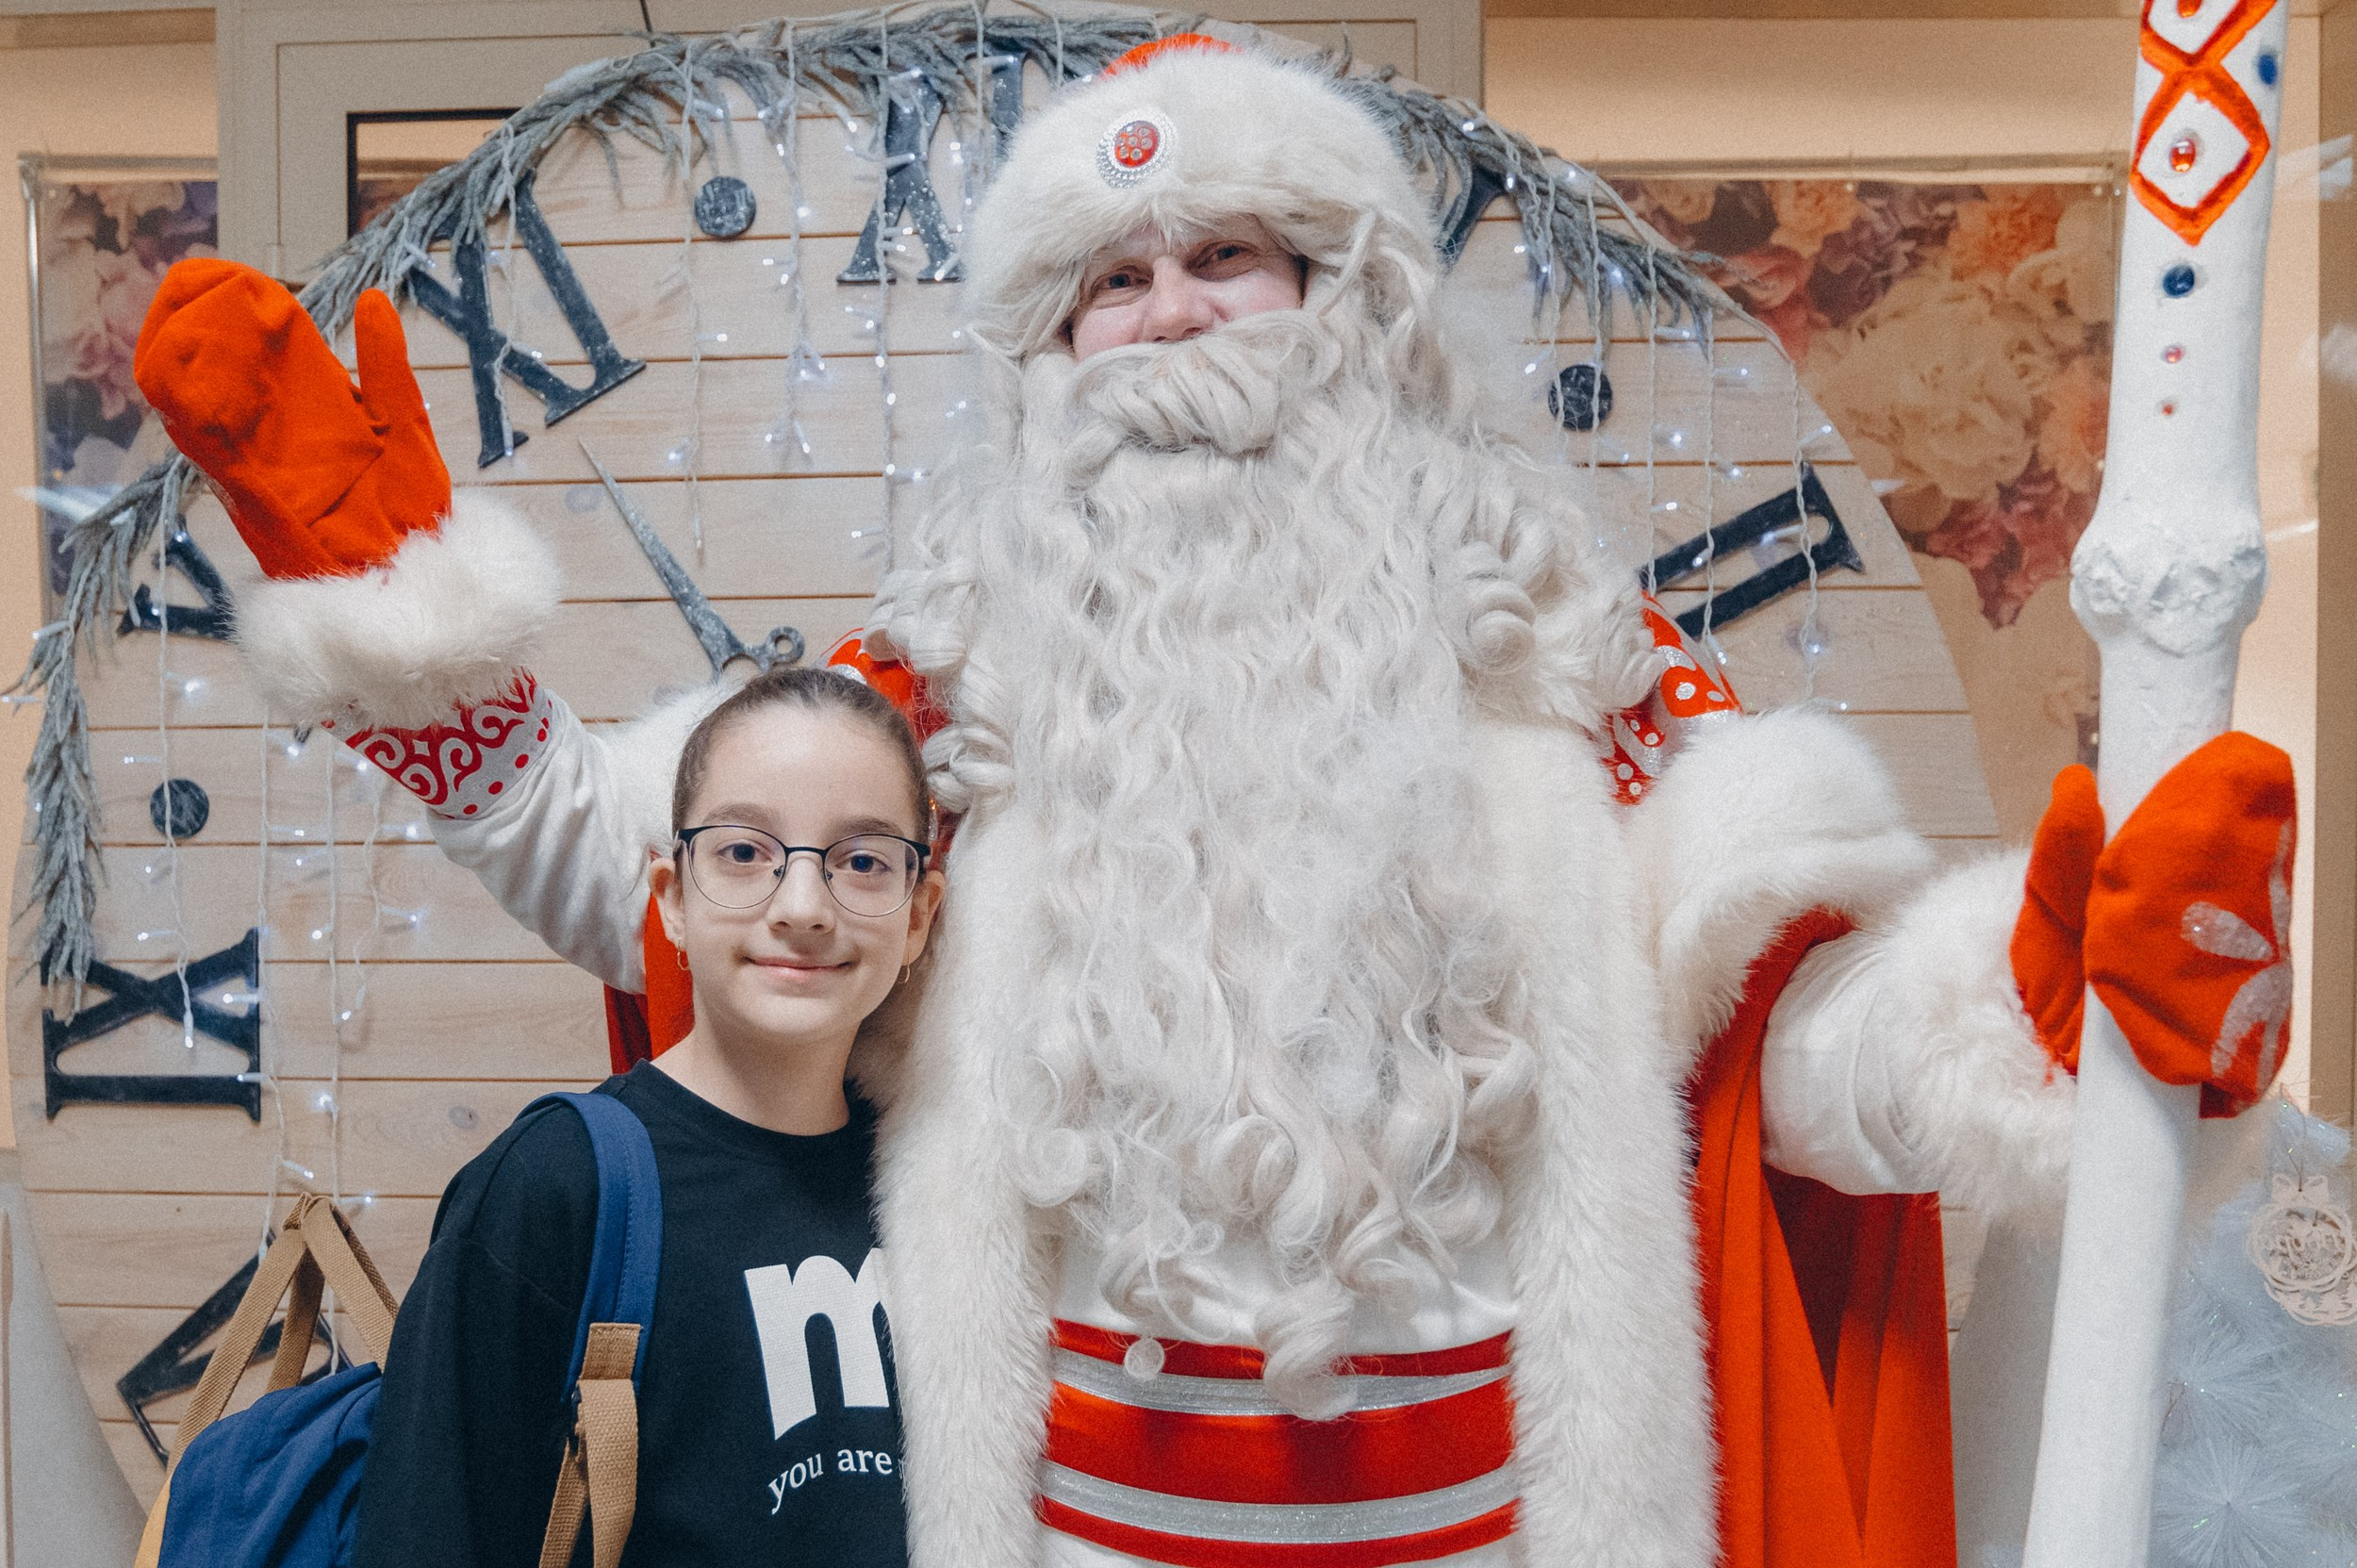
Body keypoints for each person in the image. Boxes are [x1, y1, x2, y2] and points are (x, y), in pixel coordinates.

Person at [133, 33, 2295, 1568]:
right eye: (1110, 281)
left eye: (1228, 258)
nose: (1168, 316)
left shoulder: (1578, 677)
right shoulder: (938, 704)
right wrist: (417, 638)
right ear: (1045, 362)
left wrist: (2024, 1018)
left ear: (1353, 308)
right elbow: (648, 877)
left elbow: (1785, 1080)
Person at [350, 667, 943, 1567]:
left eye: (862, 861)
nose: (803, 907)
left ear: (919, 915)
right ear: (671, 898)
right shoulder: (557, 1183)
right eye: (743, 852)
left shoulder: (935, 1182)